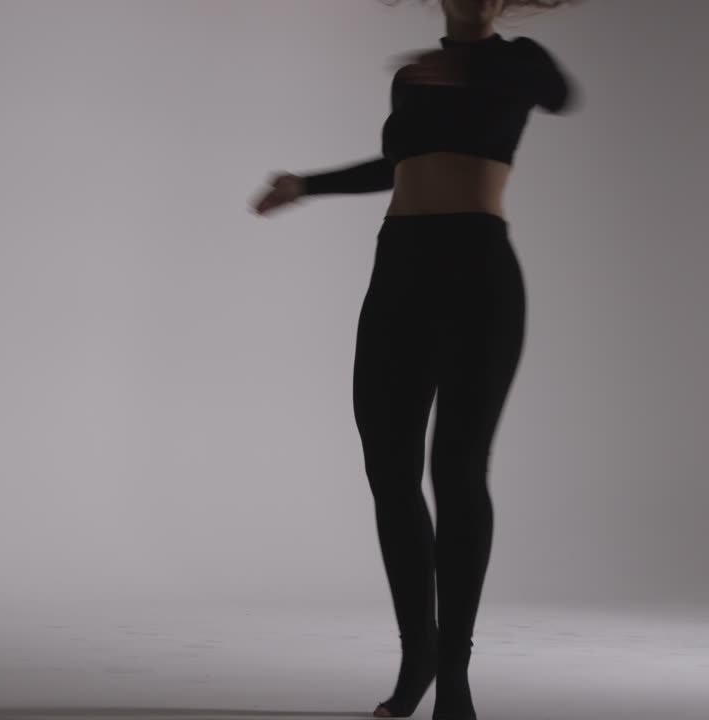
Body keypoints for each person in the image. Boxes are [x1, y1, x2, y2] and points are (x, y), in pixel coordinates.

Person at [250, 1, 580, 717]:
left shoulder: (517, 61)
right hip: (400, 267)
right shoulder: (413, 80)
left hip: (479, 269)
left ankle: (455, 674)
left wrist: (464, 64)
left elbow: (561, 94)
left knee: (457, 469)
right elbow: (400, 166)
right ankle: (418, 654)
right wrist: (306, 185)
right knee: (389, 470)